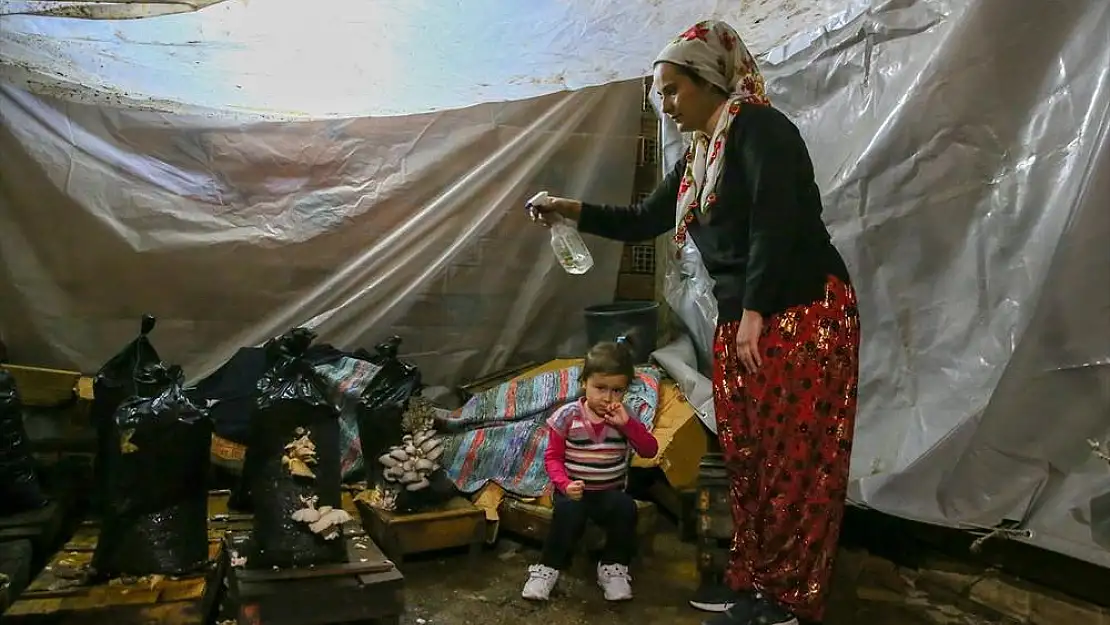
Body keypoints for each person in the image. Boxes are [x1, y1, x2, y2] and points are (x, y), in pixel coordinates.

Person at [527, 19, 860, 625]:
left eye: (674, 89)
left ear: (712, 81)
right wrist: (566, 207)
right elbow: (639, 220)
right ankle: (755, 581)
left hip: (802, 310)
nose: (667, 104)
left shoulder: (760, 129)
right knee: (752, 455)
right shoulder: (701, 157)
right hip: (750, 316)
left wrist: (755, 310)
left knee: (794, 459)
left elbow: (774, 221)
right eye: (661, 93)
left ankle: (789, 599)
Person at [521, 338, 659, 603]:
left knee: (625, 509)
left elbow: (649, 450)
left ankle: (612, 567)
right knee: (567, 513)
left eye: (617, 390)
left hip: (609, 492)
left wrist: (628, 425)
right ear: (584, 382)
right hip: (573, 492)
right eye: (600, 388)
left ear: (626, 390)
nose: (607, 398)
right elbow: (552, 458)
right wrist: (564, 485)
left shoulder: (625, 417)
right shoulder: (567, 416)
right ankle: (547, 568)